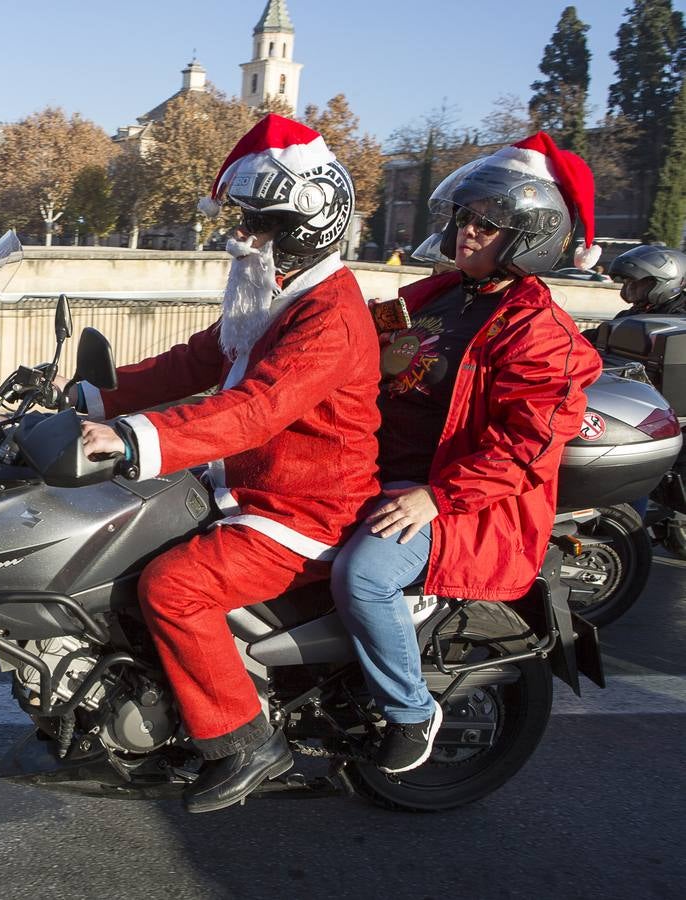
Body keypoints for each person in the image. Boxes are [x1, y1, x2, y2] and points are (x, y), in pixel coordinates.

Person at [71, 115, 380, 813]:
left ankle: (245, 741)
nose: (243, 236)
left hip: (300, 510)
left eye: (259, 224)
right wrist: (95, 396)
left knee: (174, 587)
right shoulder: (277, 296)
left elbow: (256, 410)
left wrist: (131, 438)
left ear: (307, 226)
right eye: (245, 220)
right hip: (246, 485)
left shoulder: (329, 315)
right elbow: (196, 360)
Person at [331, 132, 602, 774]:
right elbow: (353, 336)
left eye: (488, 222)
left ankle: (410, 710)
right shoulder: (436, 297)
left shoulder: (541, 334)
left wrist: (437, 496)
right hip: (376, 469)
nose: (468, 231)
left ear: (530, 234)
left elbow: (526, 445)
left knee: (362, 574)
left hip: (461, 504)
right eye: (464, 217)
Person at [607, 244, 686, 317]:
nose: (630, 287)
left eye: (637, 281)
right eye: (627, 282)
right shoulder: (626, 315)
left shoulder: (679, 319)